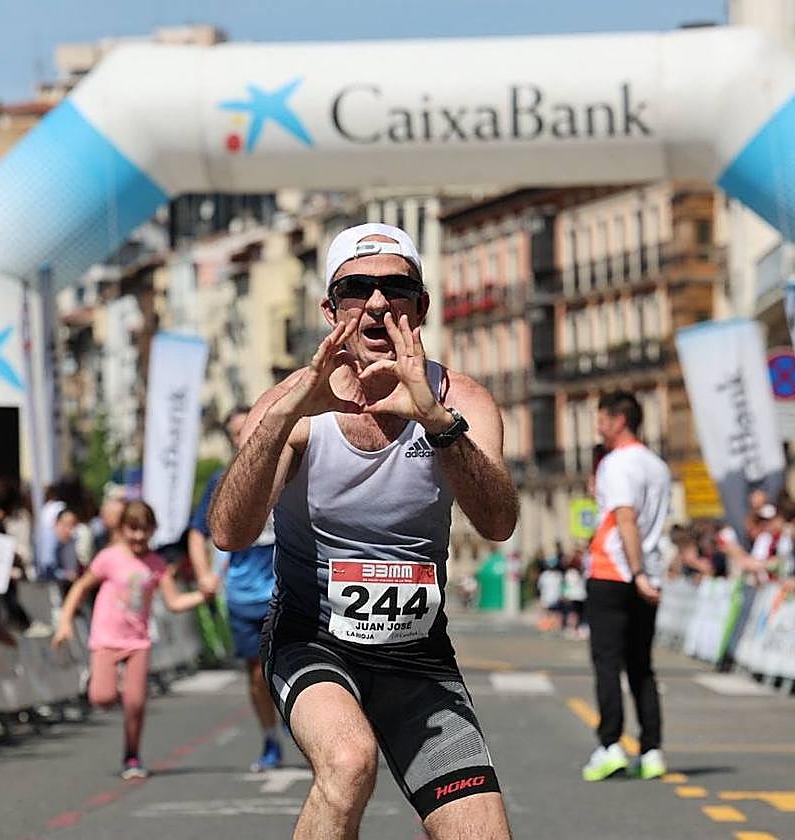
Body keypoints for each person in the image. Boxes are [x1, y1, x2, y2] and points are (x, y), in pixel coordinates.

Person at [208, 223, 518, 839]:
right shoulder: (291, 405)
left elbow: (499, 523)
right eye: (357, 288)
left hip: (417, 655)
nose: (378, 304)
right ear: (331, 309)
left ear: (421, 306)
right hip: (312, 639)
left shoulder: (464, 402)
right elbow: (229, 533)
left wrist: (438, 424)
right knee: (349, 764)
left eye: (396, 288)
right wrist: (284, 419)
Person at [52, 501, 214, 779]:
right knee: (102, 698)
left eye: (144, 530)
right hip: (106, 637)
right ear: (123, 529)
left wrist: (203, 596)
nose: (139, 536)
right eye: (133, 529)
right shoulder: (109, 558)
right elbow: (80, 586)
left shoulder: (156, 565)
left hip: (137, 641)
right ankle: (100, 680)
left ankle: (132, 755)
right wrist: (65, 623)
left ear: (153, 531)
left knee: (135, 703)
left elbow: (173, 602)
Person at [582, 391, 671, 783]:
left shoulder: (617, 463)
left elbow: (626, 518)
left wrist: (633, 572)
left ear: (619, 420)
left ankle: (610, 746)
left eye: (602, 418)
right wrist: (645, 574)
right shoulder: (657, 465)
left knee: (607, 663)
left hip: (613, 571)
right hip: (648, 572)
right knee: (641, 667)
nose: (598, 426)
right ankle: (651, 750)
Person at [189, 406, 283, 772]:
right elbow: (198, 532)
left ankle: (304, 721)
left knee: (294, 661)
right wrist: (204, 576)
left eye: (250, 428)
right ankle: (271, 738)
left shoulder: (286, 468)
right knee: (257, 672)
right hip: (243, 591)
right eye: (235, 433)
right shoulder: (220, 480)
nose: (242, 437)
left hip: (285, 584)